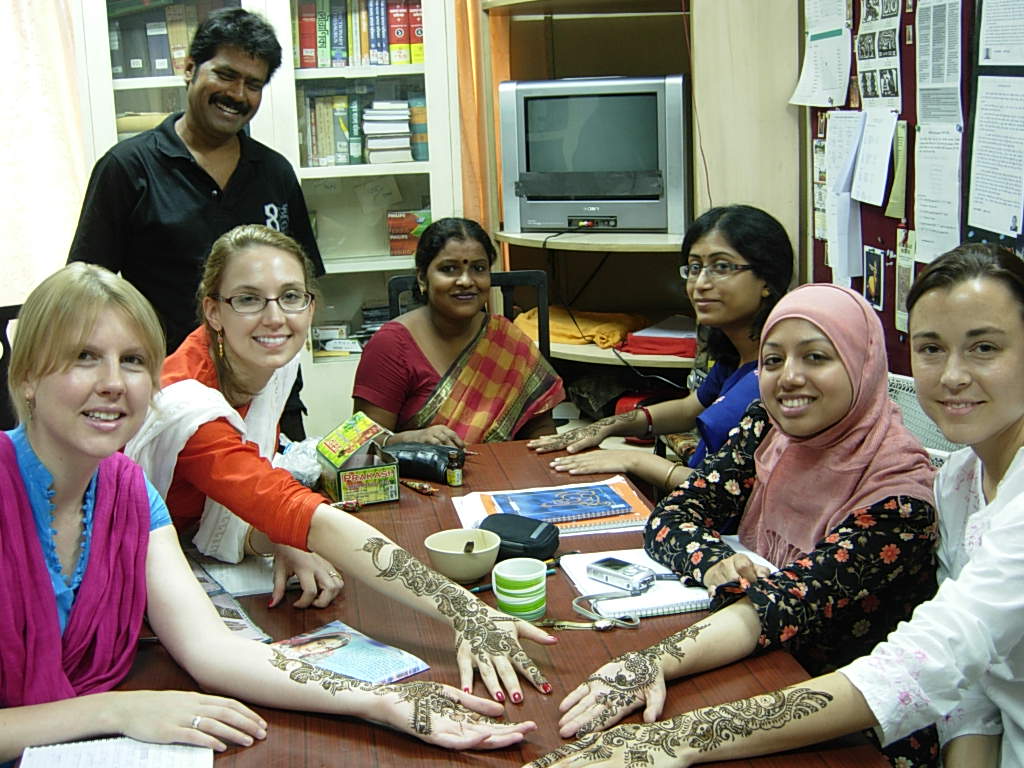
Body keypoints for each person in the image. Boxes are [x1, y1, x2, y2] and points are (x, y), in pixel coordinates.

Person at [0, 263, 538, 763]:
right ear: (26, 376)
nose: (114, 383)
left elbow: (212, 649)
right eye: (84, 357)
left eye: (133, 360)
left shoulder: (128, 492)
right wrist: (115, 712)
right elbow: (297, 513)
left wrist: (383, 701)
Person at [524, 243, 1024, 768]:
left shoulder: (904, 496)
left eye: (984, 348)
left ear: (865, 363)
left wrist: (675, 739)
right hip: (826, 689)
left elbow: (918, 664)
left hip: (858, 717)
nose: (952, 376)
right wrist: (678, 621)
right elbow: (971, 686)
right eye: (931, 349)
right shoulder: (962, 480)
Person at [125, 224, 556, 702]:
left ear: (310, 305)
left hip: (198, 553)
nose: (275, 318)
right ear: (213, 310)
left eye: (291, 296)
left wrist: (277, 536)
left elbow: (241, 488)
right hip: (136, 589)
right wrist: (466, 612)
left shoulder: (269, 360)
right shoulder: (189, 406)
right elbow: (292, 508)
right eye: (248, 299)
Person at [67, 8, 322, 438]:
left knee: (278, 483)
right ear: (189, 68)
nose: (237, 94)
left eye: (253, 84)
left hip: (270, 399)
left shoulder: (274, 172)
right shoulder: (128, 168)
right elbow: (86, 293)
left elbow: (303, 283)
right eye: (225, 75)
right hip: (170, 401)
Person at [528, 205, 793, 493]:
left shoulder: (779, 376)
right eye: (695, 268)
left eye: (721, 267)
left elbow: (729, 491)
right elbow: (689, 407)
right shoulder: (737, 354)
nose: (700, 284)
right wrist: (607, 425)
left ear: (766, 279)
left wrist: (634, 460)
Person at [353, 217, 565, 447]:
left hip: (502, 468)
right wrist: (411, 439)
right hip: (418, 470)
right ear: (422, 278)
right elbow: (361, 445)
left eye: (478, 268)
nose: (465, 281)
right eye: (449, 269)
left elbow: (541, 431)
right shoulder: (391, 345)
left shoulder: (507, 339)